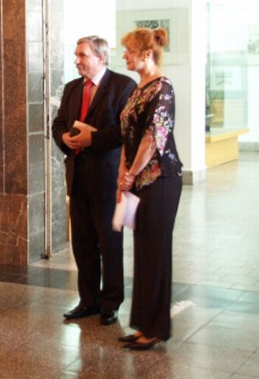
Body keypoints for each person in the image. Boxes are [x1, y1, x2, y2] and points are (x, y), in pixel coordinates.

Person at [52, 36, 136, 325]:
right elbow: (59, 122)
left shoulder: (124, 86)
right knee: (83, 245)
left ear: (101, 58)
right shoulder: (72, 88)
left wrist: (93, 139)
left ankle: (110, 302)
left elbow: (126, 130)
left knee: (109, 244)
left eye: (83, 55)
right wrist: (63, 138)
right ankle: (88, 300)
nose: (77, 60)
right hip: (78, 178)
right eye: (76, 55)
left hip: (108, 178)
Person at [117, 28, 182, 350]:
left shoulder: (162, 88)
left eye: (129, 50)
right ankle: (144, 324)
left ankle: (156, 328)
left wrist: (131, 174)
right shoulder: (138, 88)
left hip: (160, 180)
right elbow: (128, 134)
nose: (124, 56)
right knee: (143, 252)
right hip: (138, 179)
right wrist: (122, 173)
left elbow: (153, 138)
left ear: (146, 53)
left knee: (155, 252)